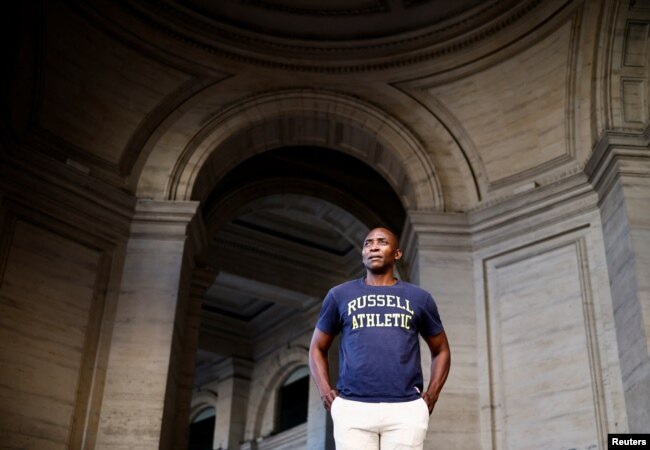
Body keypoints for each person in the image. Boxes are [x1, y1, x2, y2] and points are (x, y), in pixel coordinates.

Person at [308, 227, 451, 450]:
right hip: (352, 407)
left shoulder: (419, 298)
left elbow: (441, 349)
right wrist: (326, 391)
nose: (373, 246)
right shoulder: (339, 295)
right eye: (368, 243)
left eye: (382, 242)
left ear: (397, 254)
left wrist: (432, 395)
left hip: (406, 408)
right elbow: (317, 347)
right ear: (363, 253)